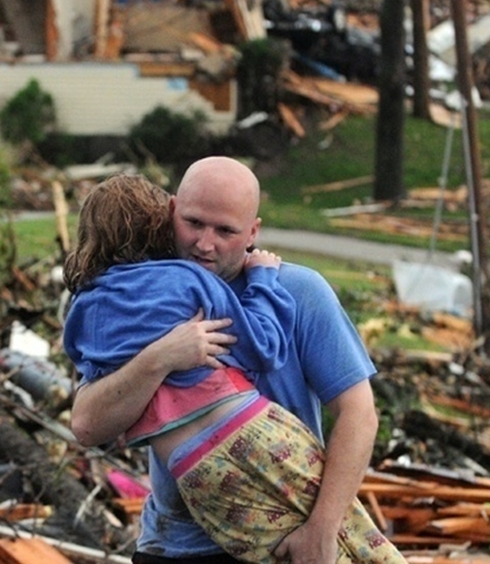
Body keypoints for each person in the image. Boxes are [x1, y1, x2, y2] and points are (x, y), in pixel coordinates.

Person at [63, 174, 403, 563]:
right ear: (171, 211)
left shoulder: (299, 290)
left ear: (253, 231)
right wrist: (161, 358)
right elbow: (88, 424)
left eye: (225, 230)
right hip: (172, 545)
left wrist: (321, 530)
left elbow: (359, 413)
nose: (205, 243)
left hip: (285, 532)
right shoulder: (146, 295)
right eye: (193, 223)